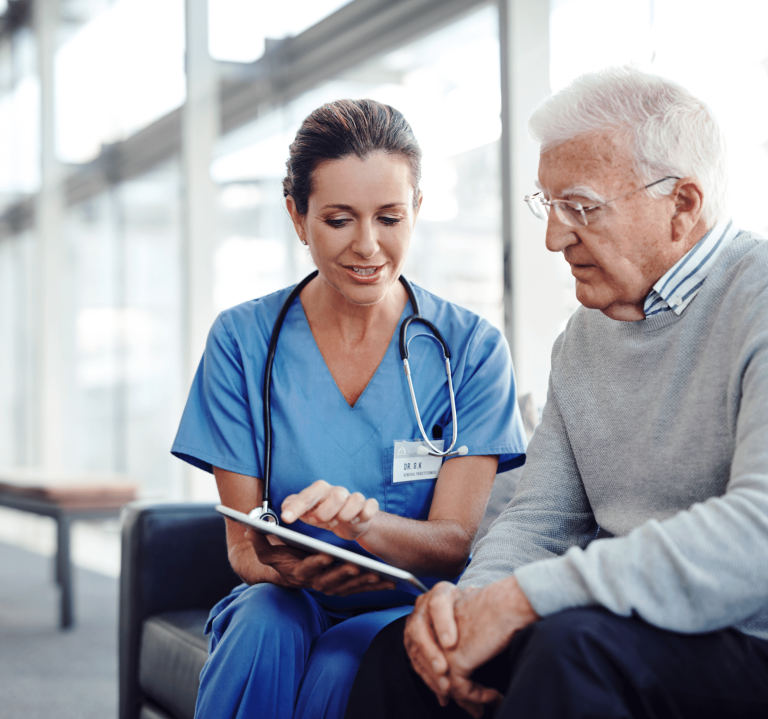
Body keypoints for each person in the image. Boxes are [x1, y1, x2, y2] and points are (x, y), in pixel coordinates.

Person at [345, 67, 768, 719]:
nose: (554, 237)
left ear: (682, 204)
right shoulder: (581, 340)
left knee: (573, 650)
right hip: (668, 645)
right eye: (547, 206)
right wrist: (472, 607)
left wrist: (525, 600)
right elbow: (539, 520)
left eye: (579, 206)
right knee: (400, 656)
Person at [171, 98, 527, 719]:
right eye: (339, 220)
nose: (368, 246)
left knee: (342, 663)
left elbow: (453, 543)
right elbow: (243, 547)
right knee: (262, 626)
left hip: (406, 601)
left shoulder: (470, 350)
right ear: (297, 216)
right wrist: (285, 566)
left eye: (390, 217)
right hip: (284, 596)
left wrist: (364, 531)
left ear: (417, 210)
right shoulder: (241, 341)